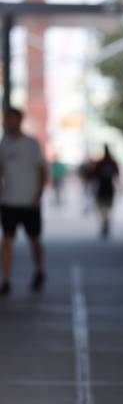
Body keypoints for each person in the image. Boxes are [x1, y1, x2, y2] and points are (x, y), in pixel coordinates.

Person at [0, 107, 47, 295]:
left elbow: (42, 170)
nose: (8, 122)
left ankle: (39, 270)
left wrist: (38, 194)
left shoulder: (32, 144)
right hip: (9, 202)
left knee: (34, 240)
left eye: (11, 118)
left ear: (19, 120)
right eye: (6, 119)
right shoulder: (4, 144)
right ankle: (6, 279)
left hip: (30, 202)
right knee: (7, 240)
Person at [93, 145, 119, 237]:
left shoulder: (100, 163)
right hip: (109, 188)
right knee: (107, 208)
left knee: (102, 208)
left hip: (102, 188)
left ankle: (104, 223)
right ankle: (106, 222)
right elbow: (117, 175)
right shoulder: (112, 162)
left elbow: (95, 176)